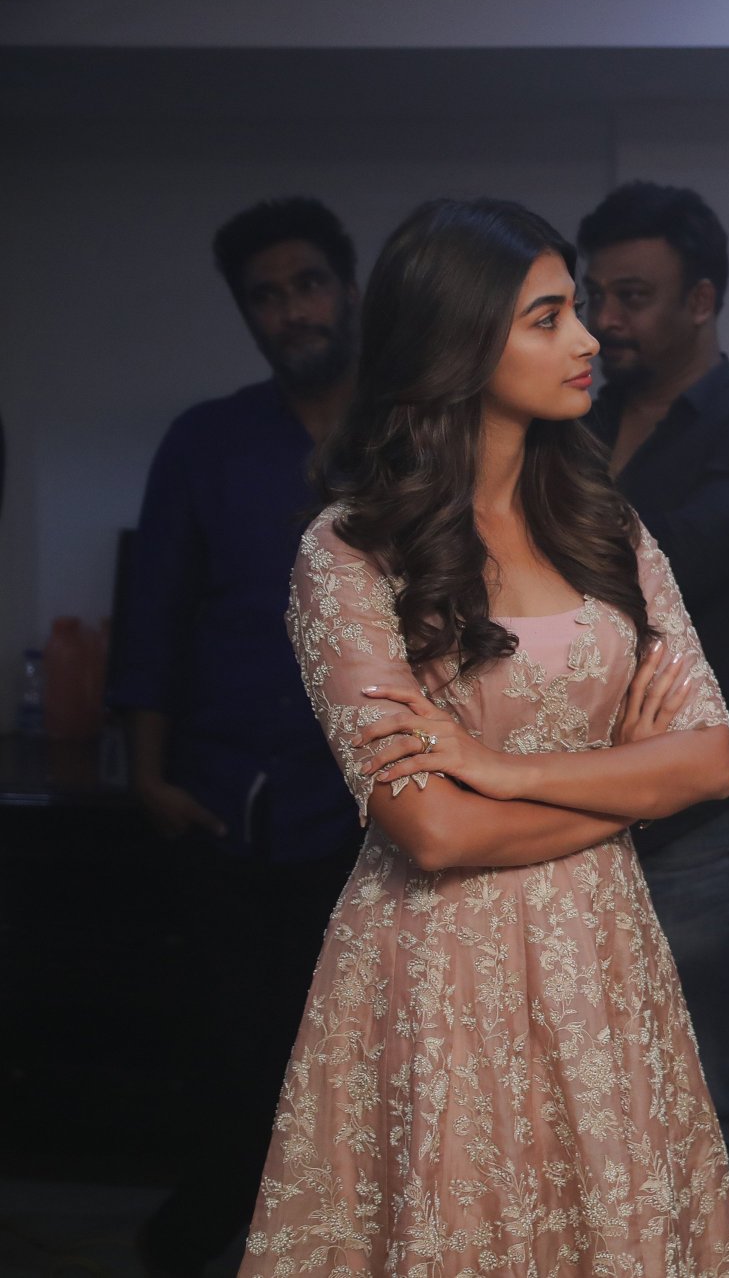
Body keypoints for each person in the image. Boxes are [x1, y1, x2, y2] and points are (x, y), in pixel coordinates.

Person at [239, 197, 729, 1274]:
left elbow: (711, 758)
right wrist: (624, 785)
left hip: (605, 955)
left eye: (579, 312)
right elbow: (433, 834)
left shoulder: (605, 524)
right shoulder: (349, 551)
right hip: (437, 966)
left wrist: (499, 771)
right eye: (548, 318)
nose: (587, 340)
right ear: (457, 342)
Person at [109, 197, 365, 1277]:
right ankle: (196, 1241)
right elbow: (154, 611)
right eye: (266, 296)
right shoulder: (207, 441)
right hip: (230, 803)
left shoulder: (411, 434)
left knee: (359, 1058)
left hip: (380, 808)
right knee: (241, 1052)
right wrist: (148, 774)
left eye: (308, 284)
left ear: (347, 288)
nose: (292, 310)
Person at [578, 180, 729, 1205]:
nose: (605, 320)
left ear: (702, 300)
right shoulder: (570, 424)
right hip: (559, 800)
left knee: (705, 1097)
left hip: (694, 821)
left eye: (632, 297)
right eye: (594, 296)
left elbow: (655, 566)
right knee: (570, 1092)